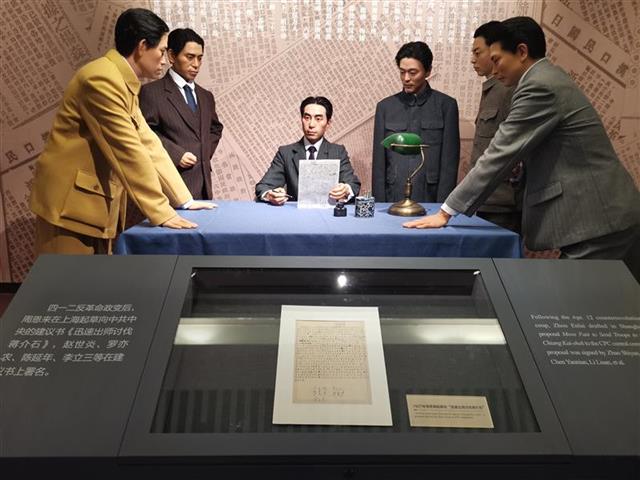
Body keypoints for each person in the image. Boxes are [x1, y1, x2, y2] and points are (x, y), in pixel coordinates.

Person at [404, 17, 640, 280]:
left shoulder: (539, 86)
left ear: (522, 51)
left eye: (496, 60)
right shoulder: (547, 78)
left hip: (599, 222)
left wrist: (446, 211)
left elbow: (498, 154)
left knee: (573, 300)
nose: (494, 70)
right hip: (609, 217)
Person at [30, 8, 213, 255]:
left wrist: (184, 199)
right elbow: (128, 151)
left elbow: (148, 142)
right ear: (142, 46)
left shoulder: (120, 81)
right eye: (161, 51)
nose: (164, 60)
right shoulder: (101, 79)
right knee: (66, 278)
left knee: (92, 278)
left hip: (90, 204)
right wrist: (161, 211)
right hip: (68, 207)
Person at [140, 28, 223, 200]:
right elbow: (143, 132)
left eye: (200, 58)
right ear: (171, 56)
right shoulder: (151, 93)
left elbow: (215, 129)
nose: (196, 64)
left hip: (204, 186)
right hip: (170, 186)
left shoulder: (206, 96)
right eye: (190, 57)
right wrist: (176, 154)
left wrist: (203, 153)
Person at [372, 41, 460, 203]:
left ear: (428, 71)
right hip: (394, 195)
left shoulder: (446, 106)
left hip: (430, 196)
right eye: (402, 72)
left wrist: (443, 206)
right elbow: (379, 165)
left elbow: (449, 164)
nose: (406, 78)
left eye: (413, 72)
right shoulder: (385, 107)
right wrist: (379, 204)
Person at [255, 96, 361, 205]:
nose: (311, 125)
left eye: (318, 119)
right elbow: (263, 186)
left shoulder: (338, 152)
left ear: (328, 123)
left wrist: (346, 190)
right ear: (301, 120)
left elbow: (353, 184)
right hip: (295, 213)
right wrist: (270, 195)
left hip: (328, 213)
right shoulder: (286, 153)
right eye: (307, 118)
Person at [470, 21, 522, 233]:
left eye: (477, 52)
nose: (473, 59)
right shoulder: (492, 89)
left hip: (503, 201)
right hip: (484, 199)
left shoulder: (509, 89)